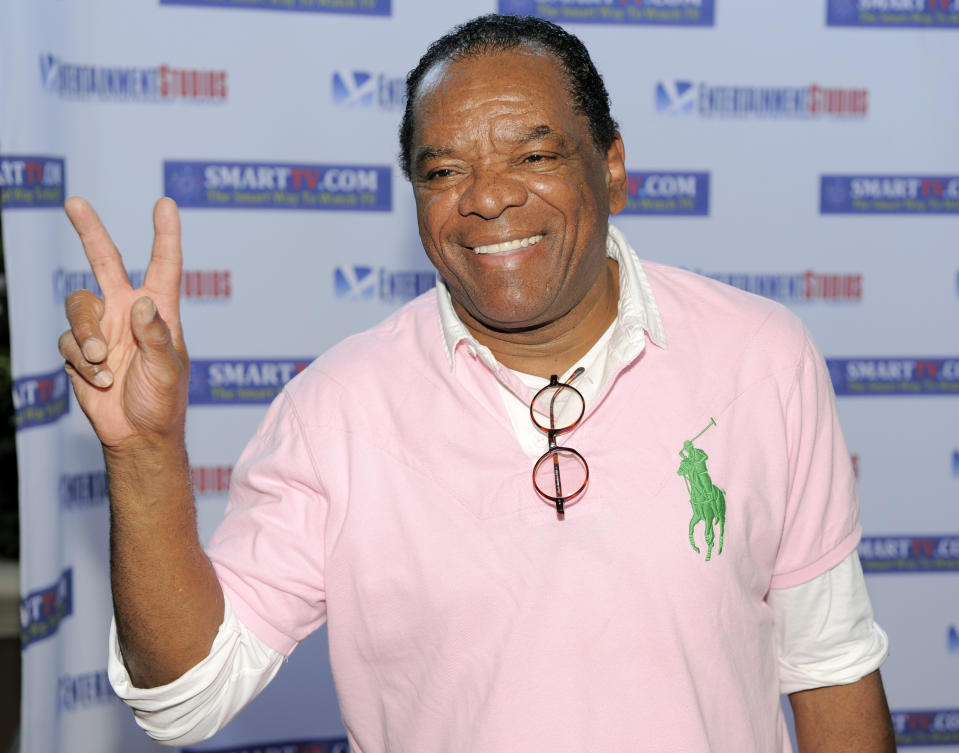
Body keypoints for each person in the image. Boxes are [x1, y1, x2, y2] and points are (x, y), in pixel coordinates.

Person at [59, 14, 896, 753]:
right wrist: (144, 453)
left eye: (534, 154)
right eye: (443, 171)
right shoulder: (338, 409)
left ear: (611, 167)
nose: (488, 197)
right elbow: (186, 698)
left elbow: (828, 664)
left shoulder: (759, 356)